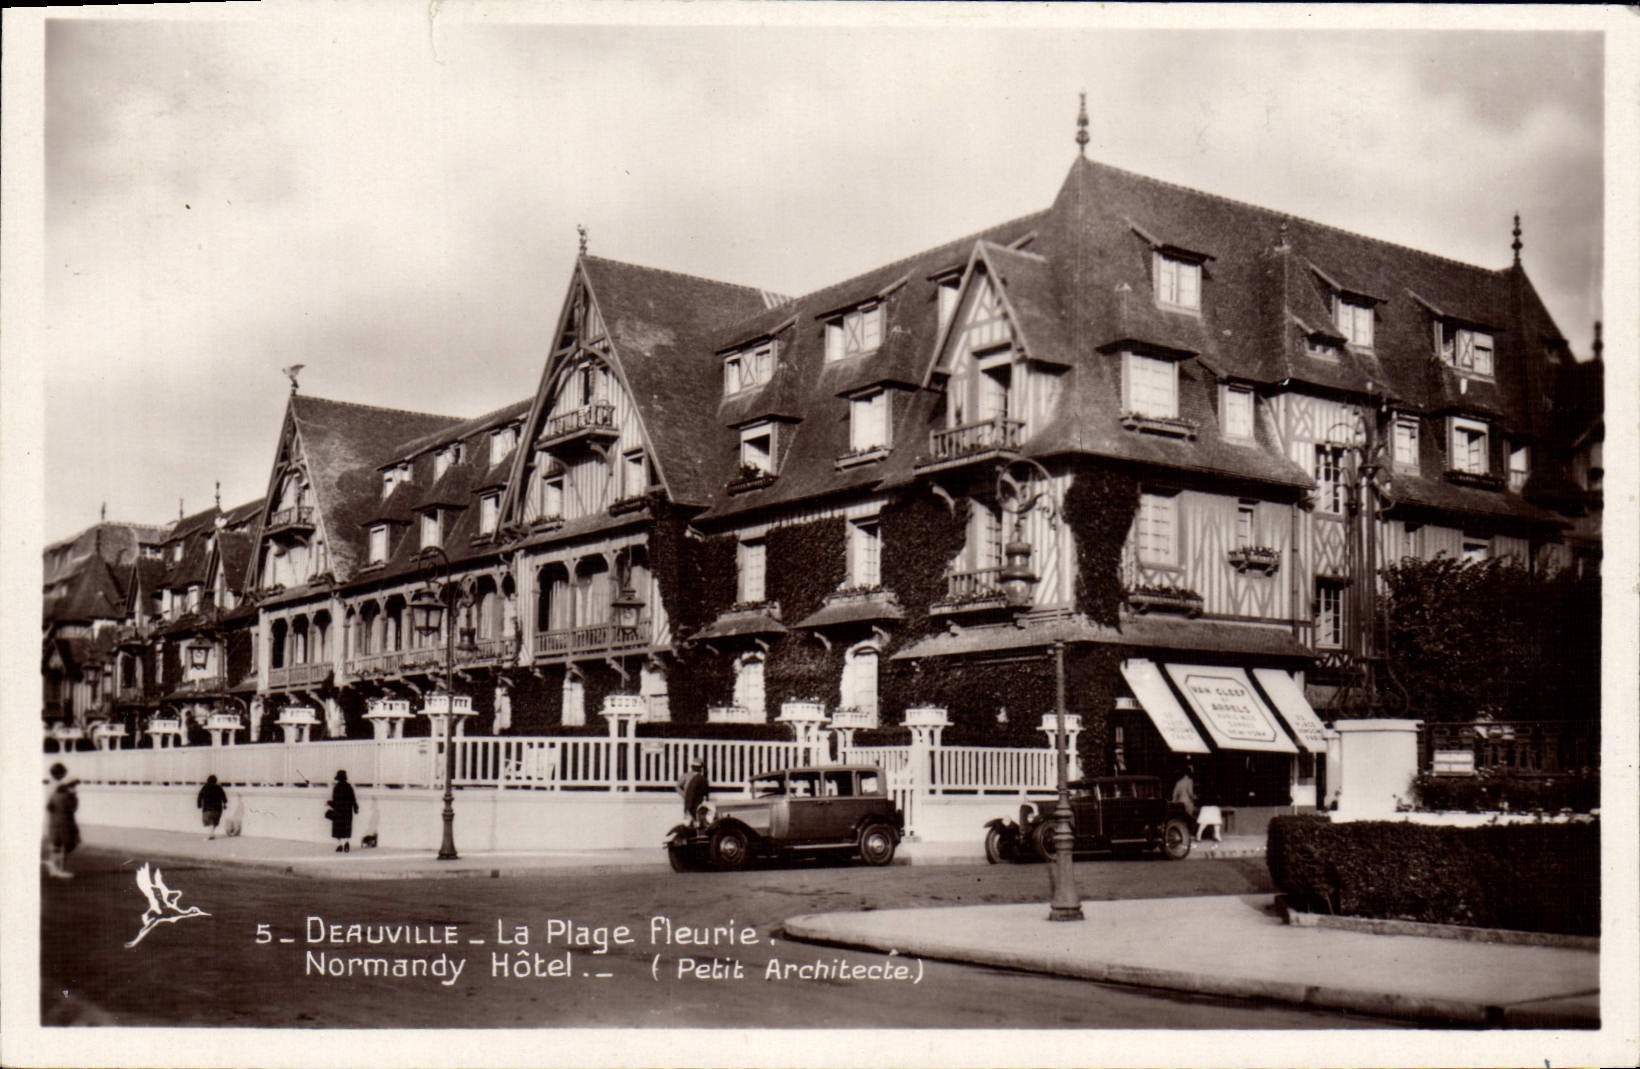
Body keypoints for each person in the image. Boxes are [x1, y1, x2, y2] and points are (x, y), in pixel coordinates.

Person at [44, 762, 79, 879]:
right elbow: (73, 807)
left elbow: (49, 806)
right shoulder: (61, 790)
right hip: (63, 818)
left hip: (56, 817)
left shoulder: (54, 787)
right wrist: (72, 795)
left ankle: (54, 865)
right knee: (66, 843)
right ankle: (59, 868)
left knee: (60, 843)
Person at [328, 770, 359, 852]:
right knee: (347, 828)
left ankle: (339, 845)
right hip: (347, 811)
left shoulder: (336, 788)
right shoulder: (349, 787)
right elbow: (353, 799)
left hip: (338, 811)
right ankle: (346, 842)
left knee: (338, 829)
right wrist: (355, 808)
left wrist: (329, 803)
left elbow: (334, 801)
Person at [197, 774, 228, 840]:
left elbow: (200, 796)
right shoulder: (218, 787)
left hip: (207, 809)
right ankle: (212, 833)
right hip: (217, 809)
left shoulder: (205, 787)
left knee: (208, 821)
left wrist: (199, 805)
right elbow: (223, 796)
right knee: (214, 822)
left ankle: (211, 834)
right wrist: (225, 804)